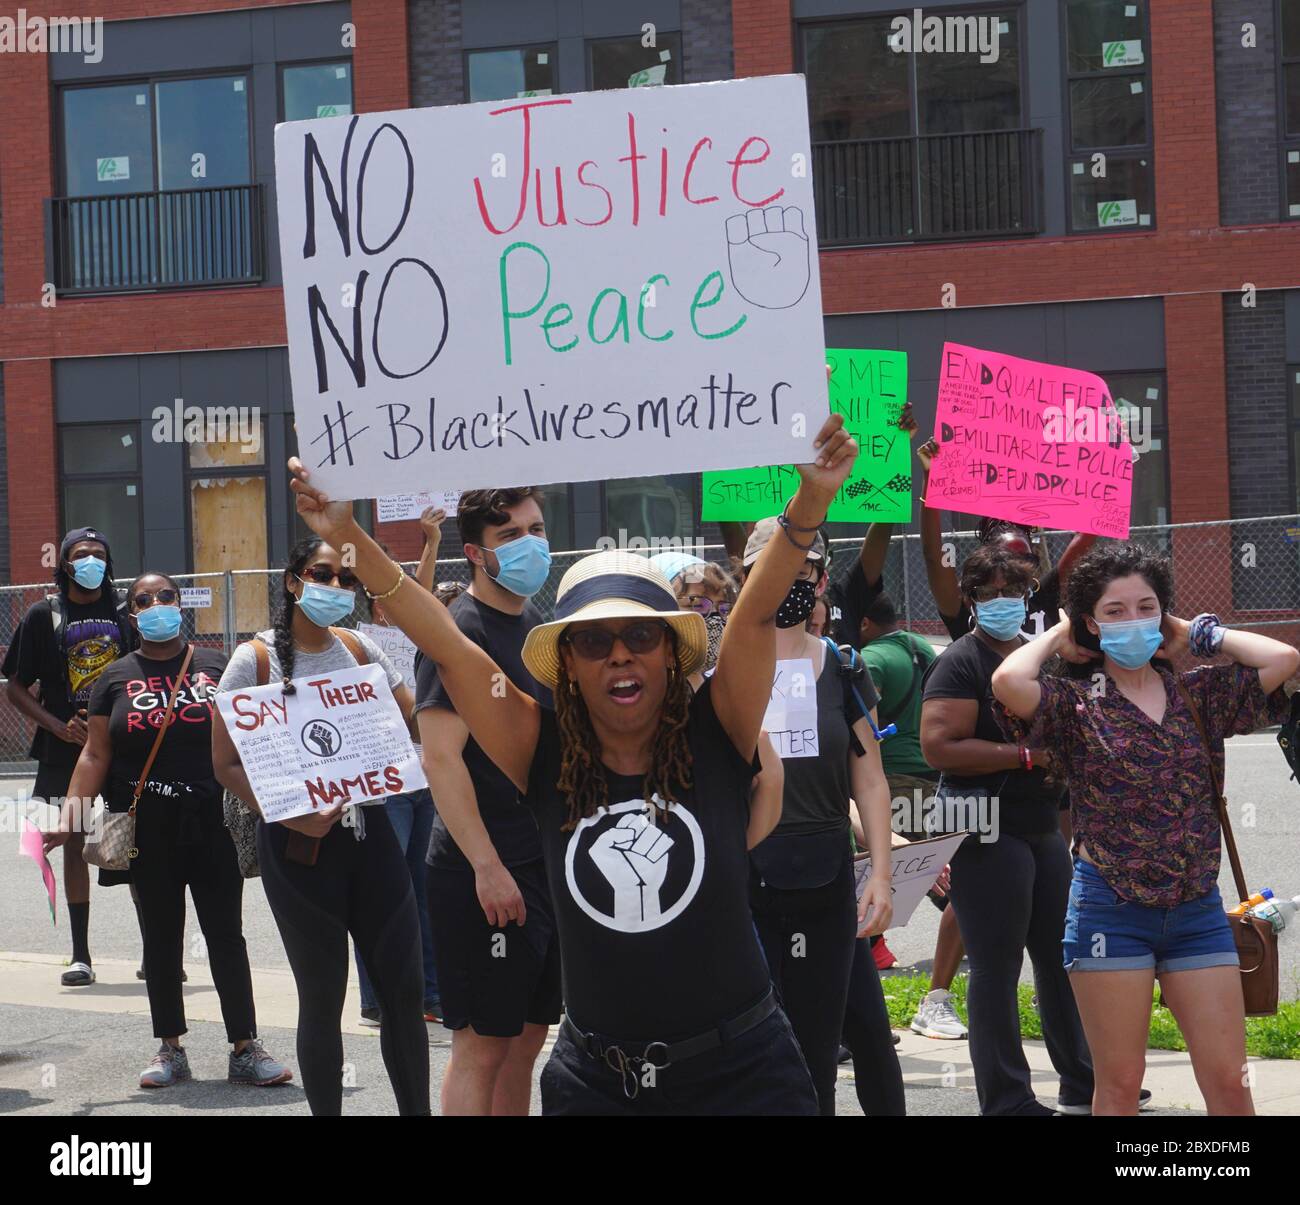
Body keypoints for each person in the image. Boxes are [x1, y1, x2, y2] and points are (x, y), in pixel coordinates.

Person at [286, 413, 858, 1115]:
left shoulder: (718, 728)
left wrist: (809, 505)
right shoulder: (539, 745)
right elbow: (448, 643)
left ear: (671, 654)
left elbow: (753, 614)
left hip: (744, 1074)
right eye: (594, 641)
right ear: (568, 666)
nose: (619, 652)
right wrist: (347, 535)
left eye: (641, 634)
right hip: (598, 1083)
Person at [991, 542, 1299, 1115]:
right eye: (1114, 611)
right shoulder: (1075, 703)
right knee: (1120, 1085)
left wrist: (1193, 631)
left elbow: (1281, 658)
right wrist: (1061, 635)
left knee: (1231, 1081)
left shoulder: (1198, 693)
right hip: (1110, 909)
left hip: (1197, 912)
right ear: (1091, 622)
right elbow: (1009, 681)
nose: (1132, 621)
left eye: (1145, 607)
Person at [44, 573, 289, 1089]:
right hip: (146, 825)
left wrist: (285, 796)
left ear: (180, 605)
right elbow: (94, 753)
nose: (156, 605)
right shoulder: (113, 677)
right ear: (132, 615)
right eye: (143, 600)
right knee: (159, 937)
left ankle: (245, 1046)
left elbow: (257, 734)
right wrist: (68, 817)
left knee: (226, 934)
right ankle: (170, 1048)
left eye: (165, 597)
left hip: (213, 819)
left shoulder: (218, 666)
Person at [212, 537, 429, 1116]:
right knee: (323, 996)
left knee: (403, 993)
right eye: (322, 574)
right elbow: (226, 764)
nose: (335, 588)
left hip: (373, 835)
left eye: (347, 580)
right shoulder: (254, 661)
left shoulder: (361, 650)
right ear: (292, 581)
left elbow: (414, 721)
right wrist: (291, 815)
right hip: (297, 848)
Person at [919, 545, 1095, 1116]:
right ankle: (1007, 1098)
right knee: (997, 965)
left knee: (1058, 953)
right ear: (970, 599)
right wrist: (1023, 757)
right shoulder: (960, 661)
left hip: (1039, 822)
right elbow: (939, 747)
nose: (1001, 602)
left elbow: (1063, 748)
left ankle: (1082, 1083)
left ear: (1028, 597)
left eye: (1011, 592)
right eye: (988, 592)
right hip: (979, 822)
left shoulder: (1033, 658)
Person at [742, 519, 896, 1116]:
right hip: (747, 880)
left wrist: (880, 874)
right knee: (757, 1052)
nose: (793, 582)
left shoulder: (842, 665)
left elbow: (871, 778)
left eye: (804, 570)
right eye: (779, 568)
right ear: (751, 577)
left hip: (825, 874)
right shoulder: (718, 667)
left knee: (817, 1058)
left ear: (821, 580)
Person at [414, 486, 559, 1117]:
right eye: (511, 536)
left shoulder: (536, 628)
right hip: (483, 875)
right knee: (480, 1048)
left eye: (537, 528)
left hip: (539, 865)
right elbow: (440, 758)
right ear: (475, 552)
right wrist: (486, 866)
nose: (532, 544)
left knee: (525, 1041)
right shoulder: (458, 632)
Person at [7, 527, 137, 986]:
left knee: (138, 840)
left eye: (99, 555)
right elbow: (15, 687)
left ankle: (158, 949)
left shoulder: (125, 611)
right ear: (64, 564)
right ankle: (81, 954)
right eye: (81, 555)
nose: (91, 562)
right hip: (66, 752)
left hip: (126, 746)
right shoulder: (45, 614)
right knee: (75, 839)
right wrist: (58, 726)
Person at [858, 592, 965, 1040]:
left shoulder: (870, 657)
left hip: (893, 777)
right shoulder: (924, 646)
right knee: (932, 869)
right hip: (933, 775)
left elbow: (860, 710)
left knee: (890, 868)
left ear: (864, 623)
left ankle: (875, 954)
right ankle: (974, 926)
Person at [354, 529, 444, 1029]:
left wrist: (431, 541)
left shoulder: (420, 630)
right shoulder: (363, 642)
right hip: (385, 783)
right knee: (384, 893)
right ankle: (376, 998)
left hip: (426, 776)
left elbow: (422, 595)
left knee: (425, 891)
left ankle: (429, 993)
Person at [914, 439, 1095, 643]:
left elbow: (1085, 538)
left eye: (1024, 558)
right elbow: (932, 555)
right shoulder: (966, 604)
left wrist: (1111, 465)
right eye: (1007, 558)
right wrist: (930, 478)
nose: (1015, 567)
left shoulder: (1044, 597)